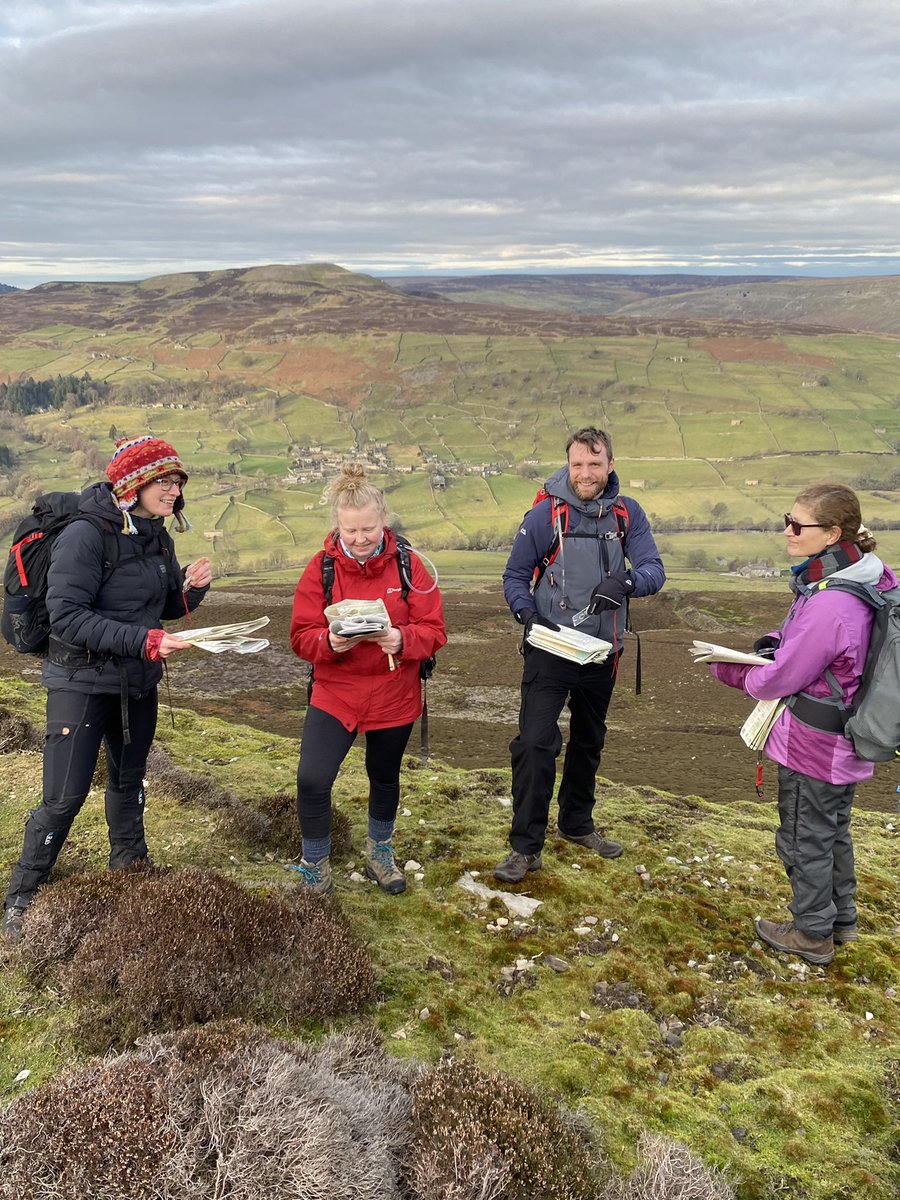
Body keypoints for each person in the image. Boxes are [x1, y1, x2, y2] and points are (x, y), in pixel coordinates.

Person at [2, 436, 211, 942]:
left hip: (136, 682)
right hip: (81, 683)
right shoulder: (85, 534)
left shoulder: (157, 534)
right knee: (64, 798)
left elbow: (156, 606)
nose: (173, 490)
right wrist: (145, 642)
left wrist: (191, 589)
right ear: (133, 484)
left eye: (177, 481)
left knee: (129, 780)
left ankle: (130, 869)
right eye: (163, 480)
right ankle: (21, 899)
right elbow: (69, 618)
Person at [708, 483, 896, 965]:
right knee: (832, 830)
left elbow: (780, 679)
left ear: (832, 533)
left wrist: (725, 666)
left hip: (813, 743)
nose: (787, 532)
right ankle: (842, 921)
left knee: (801, 835)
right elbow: (808, 639)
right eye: (785, 520)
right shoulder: (867, 577)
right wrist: (774, 639)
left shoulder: (833, 602)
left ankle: (812, 933)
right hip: (846, 738)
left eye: (797, 525)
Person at [496, 426, 666, 883]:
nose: (585, 473)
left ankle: (576, 825)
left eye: (595, 463)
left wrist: (628, 583)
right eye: (577, 464)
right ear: (567, 465)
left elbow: (654, 570)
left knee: (589, 741)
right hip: (550, 649)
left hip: (603, 652)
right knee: (535, 743)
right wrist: (526, 616)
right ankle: (525, 848)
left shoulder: (629, 514)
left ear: (610, 464)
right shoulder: (543, 515)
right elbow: (514, 576)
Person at [289, 465, 446, 895]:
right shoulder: (320, 569)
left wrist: (400, 638)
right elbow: (301, 637)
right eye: (350, 530)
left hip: (394, 693)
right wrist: (328, 643)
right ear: (337, 525)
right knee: (313, 779)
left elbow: (435, 631)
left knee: (384, 775)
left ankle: (380, 852)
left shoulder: (410, 567)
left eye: (368, 529)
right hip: (335, 692)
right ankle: (315, 866)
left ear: (384, 520)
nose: (359, 538)